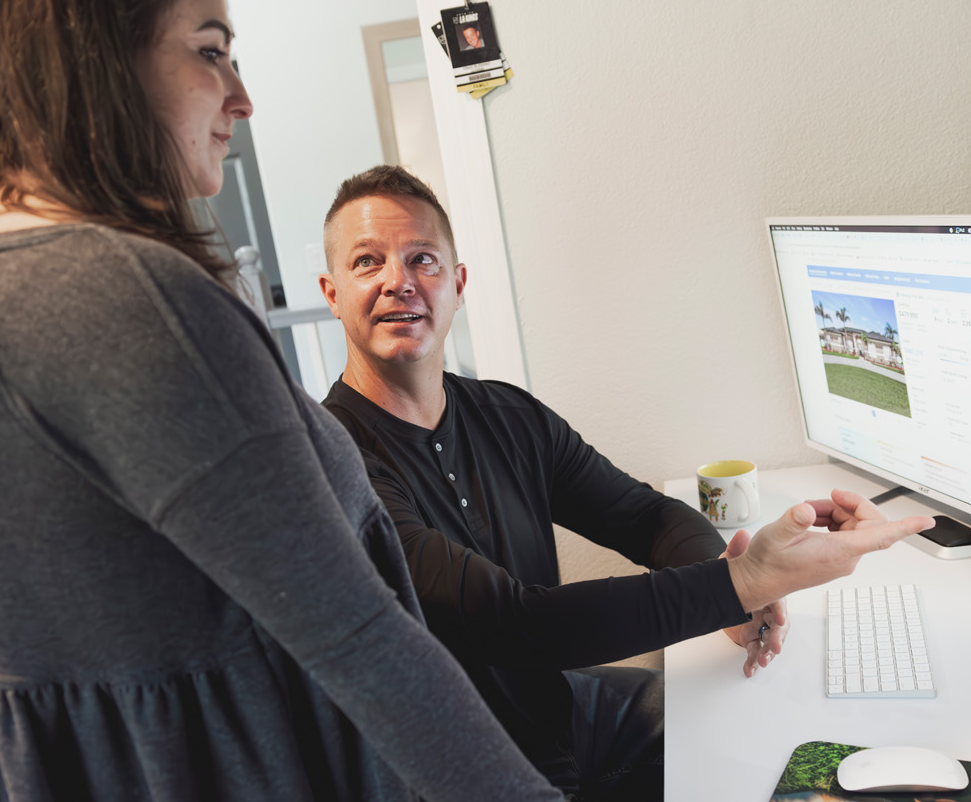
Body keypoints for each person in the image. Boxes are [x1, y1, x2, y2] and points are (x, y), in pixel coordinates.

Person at [0, 0, 564, 801]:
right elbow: (357, 635)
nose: (241, 97)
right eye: (210, 51)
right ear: (92, 58)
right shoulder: (117, 296)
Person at [317, 165, 935, 800]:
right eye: (368, 262)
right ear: (332, 292)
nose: (399, 281)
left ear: (457, 283)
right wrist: (736, 584)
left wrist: (730, 586)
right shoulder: (333, 461)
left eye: (423, 259)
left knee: (776, 738)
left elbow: (644, 516)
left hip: (561, 714)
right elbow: (516, 624)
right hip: (462, 776)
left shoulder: (509, 416)